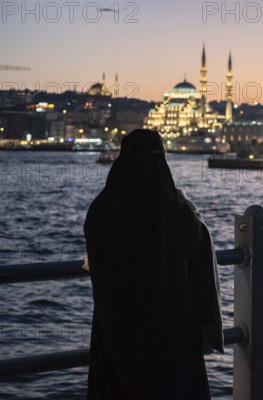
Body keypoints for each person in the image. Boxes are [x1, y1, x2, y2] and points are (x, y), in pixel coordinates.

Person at [84, 129, 224, 399]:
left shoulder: (102, 210)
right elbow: (196, 244)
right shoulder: (177, 213)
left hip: (113, 330)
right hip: (171, 331)